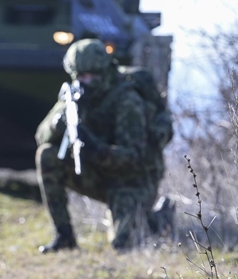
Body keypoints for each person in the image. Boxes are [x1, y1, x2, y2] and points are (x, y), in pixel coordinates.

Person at [34, 39, 174, 253]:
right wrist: (56, 125)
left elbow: (135, 160)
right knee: (47, 155)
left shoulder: (127, 100)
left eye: (92, 75)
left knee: (125, 244)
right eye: (81, 76)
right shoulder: (75, 97)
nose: (86, 81)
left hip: (133, 181)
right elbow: (40, 137)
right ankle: (64, 237)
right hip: (98, 174)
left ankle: (159, 219)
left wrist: (93, 146)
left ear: (105, 70)